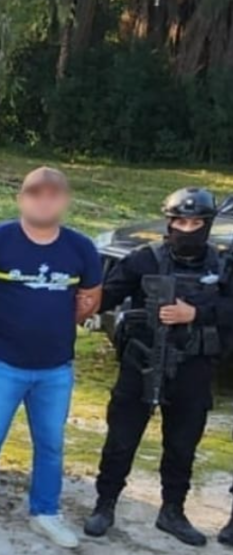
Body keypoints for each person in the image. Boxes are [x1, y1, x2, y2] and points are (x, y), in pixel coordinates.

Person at [0, 167, 102, 549]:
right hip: (1, 364)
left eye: (54, 194)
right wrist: (0, 322)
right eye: (35, 193)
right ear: (21, 198)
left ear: (65, 201)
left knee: (51, 444)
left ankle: (45, 513)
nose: (44, 201)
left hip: (55, 369)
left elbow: (90, 300)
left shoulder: (81, 247)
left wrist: (55, 324)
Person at [84, 188, 233, 546]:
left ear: (208, 224)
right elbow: (106, 295)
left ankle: (172, 511)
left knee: (182, 444)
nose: (187, 229)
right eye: (180, 222)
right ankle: (104, 505)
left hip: (194, 367)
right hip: (142, 361)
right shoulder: (145, 259)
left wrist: (195, 313)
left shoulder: (222, 265)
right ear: (169, 222)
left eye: (196, 223)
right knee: (121, 440)